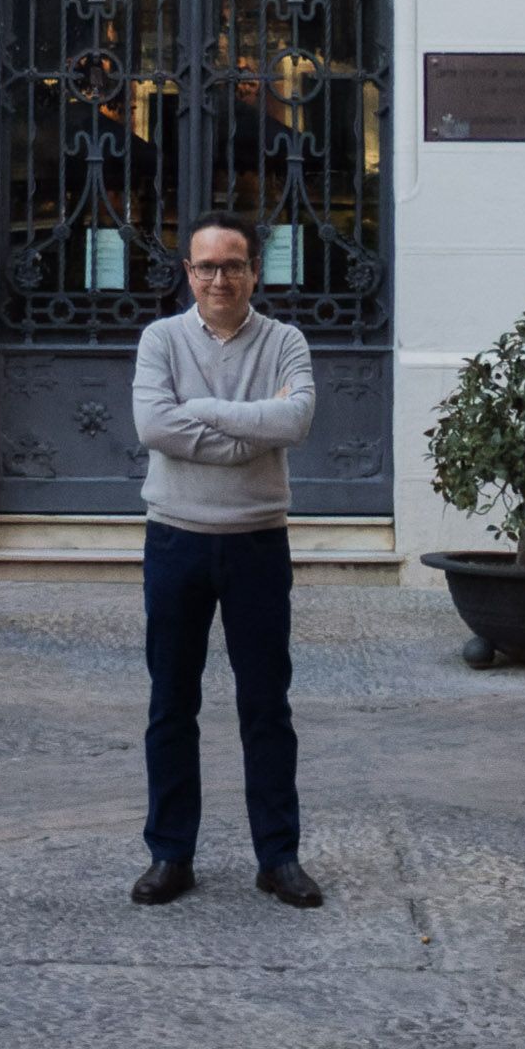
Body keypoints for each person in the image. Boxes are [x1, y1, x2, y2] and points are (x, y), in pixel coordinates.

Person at [126, 212, 324, 910]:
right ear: (188, 272)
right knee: (171, 702)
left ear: (253, 272)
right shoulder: (161, 338)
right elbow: (153, 424)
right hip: (175, 538)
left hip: (257, 541)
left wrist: (202, 412)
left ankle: (278, 856)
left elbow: (295, 420)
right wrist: (247, 426)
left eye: (232, 265)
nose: (219, 278)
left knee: (266, 704)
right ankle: (169, 852)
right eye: (206, 266)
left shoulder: (285, 340)